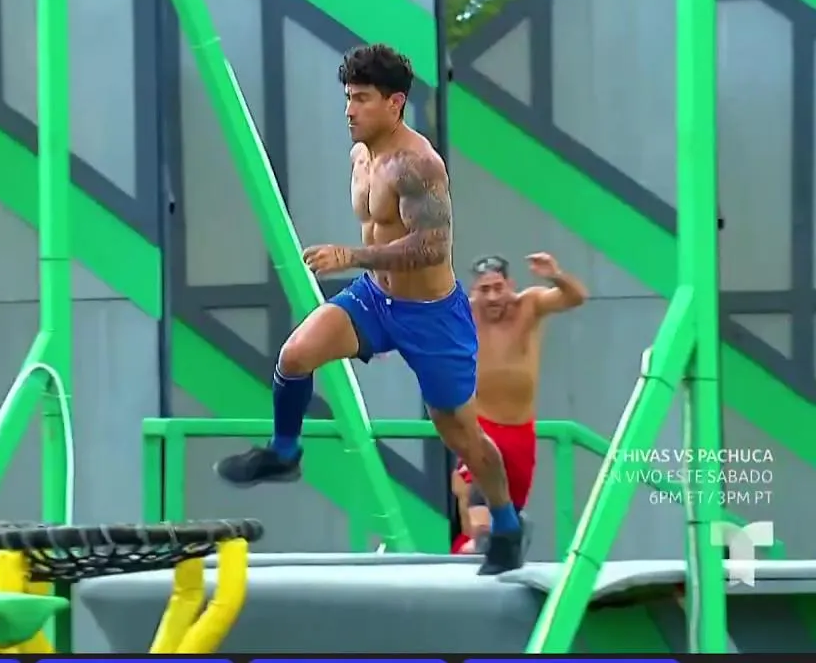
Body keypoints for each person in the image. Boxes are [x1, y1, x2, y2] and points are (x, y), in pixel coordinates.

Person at [212, 43, 526, 575]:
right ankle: (284, 452)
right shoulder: (361, 156)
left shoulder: (418, 165)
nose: (349, 110)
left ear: (395, 103)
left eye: (361, 99)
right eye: (348, 97)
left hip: (431, 314)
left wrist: (350, 255)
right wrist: (361, 266)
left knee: (462, 435)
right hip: (375, 298)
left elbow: (431, 246)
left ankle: (508, 526)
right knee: (296, 355)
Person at [451, 253, 588, 554]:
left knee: (508, 516)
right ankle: (476, 542)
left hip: (520, 431)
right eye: (484, 290)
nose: (492, 297)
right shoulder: (462, 312)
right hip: (480, 425)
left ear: (510, 285)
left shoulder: (530, 304)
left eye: (498, 288)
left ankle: (502, 541)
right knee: (478, 506)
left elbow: (576, 297)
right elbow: (417, 319)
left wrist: (555, 275)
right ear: (474, 291)